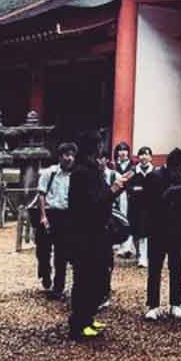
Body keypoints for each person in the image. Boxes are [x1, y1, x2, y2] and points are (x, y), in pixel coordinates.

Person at [67, 132, 132, 340]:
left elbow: (102, 198)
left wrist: (117, 188)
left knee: (98, 276)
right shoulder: (81, 173)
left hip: (99, 233)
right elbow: (92, 203)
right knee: (85, 278)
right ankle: (79, 322)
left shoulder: (94, 171)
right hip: (86, 234)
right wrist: (114, 188)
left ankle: (88, 316)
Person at [144, 148, 181, 320]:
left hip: (177, 226)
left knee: (176, 266)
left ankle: (176, 303)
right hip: (157, 226)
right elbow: (146, 203)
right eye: (175, 168)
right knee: (155, 267)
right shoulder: (153, 177)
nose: (177, 172)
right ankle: (153, 304)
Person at [36, 142, 76, 298]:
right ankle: (45, 274)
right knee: (44, 249)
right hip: (50, 213)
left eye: (72, 155)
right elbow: (41, 194)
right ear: (60, 157)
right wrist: (43, 215)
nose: (69, 158)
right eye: (66, 155)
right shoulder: (50, 173)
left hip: (66, 215)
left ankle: (58, 286)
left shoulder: (75, 175)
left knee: (62, 252)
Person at [97, 152, 120, 309]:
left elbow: (120, 202)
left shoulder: (112, 175)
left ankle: (104, 291)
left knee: (106, 260)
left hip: (109, 221)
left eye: (102, 158)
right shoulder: (90, 176)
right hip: (94, 223)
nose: (100, 161)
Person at [127, 146, 154, 267]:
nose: (144, 157)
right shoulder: (133, 171)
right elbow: (128, 186)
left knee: (145, 232)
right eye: (142, 154)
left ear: (150, 157)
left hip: (148, 207)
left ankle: (143, 257)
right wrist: (137, 190)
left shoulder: (154, 172)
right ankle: (138, 253)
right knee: (135, 231)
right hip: (134, 206)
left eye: (147, 154)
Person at [112, 141, 136, 257]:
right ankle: (118, 244)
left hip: (128, 195)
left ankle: (127, 247)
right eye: (120, 150)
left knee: (129, 218)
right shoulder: (112, 166)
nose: (122, 152)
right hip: (116, 195)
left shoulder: (133, 166)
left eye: (125, 150)